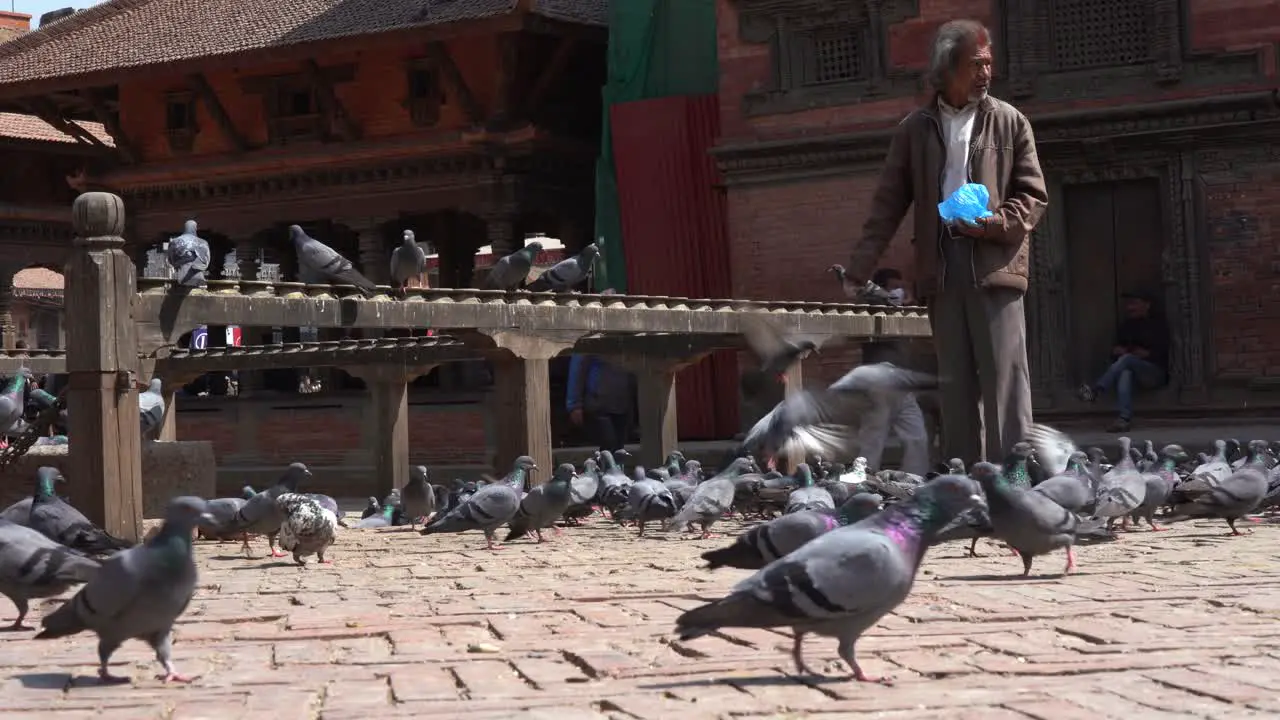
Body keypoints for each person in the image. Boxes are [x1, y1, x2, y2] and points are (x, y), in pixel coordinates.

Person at [845, 19, 1048, 464]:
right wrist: (860, 267)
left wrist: (993, 223)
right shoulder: (915, 129)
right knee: (955, 381)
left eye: (989, 64)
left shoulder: (1010, 121)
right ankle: (967, 485)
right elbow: (887, 205)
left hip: (994, 264)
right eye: (976, 64)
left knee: (1005, 379)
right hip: (940, 265)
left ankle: (1013, 479)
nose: (985, 73)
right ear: (947, 68)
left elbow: (1033, 198)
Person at [857, 269, 930, 476]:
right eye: (892, 287)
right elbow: (867, 297)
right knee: (873, 437)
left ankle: (914, 480)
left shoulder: (903, 313)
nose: (898, 291)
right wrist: (886, 297)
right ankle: (864, 482)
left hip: (902, 384)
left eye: (900, 286)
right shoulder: (872, 308)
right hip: (878, 381)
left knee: (917, 437)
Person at [1077, 292, 1169, 433]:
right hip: (1133, 374)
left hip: (1154, 373)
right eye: (1129, 304)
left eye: (1135, 303)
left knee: (1127, 360)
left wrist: (1142, 354)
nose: (1130, 307)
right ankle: (1124, 418)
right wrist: (1121, 352)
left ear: (1147, 305)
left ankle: (1096, 390)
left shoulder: (1157, 326)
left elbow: (1160, 352)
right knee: (1125, 371)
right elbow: (1116, 353)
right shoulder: (1127, 326)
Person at [566, 290, 635, 452]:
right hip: (599, 405)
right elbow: (578, 369)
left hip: (622, 405)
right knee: (609, 447)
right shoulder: (592, 336)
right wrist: (574, 405)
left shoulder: (628, 336)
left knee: (620, 450)